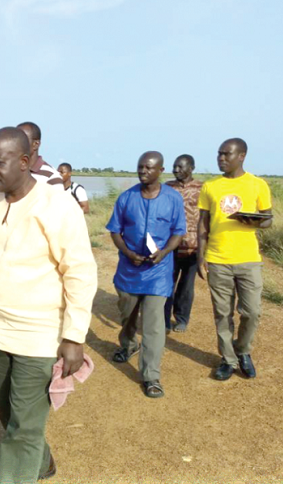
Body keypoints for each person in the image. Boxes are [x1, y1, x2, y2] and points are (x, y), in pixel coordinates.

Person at [0, 127, 97, 483]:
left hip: (39, 338)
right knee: (8, 415)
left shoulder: (57, 206)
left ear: (25, 161)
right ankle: (41, 463)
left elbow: (80, 273)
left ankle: (22, 470)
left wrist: (74, 337)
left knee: (22, 430)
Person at [106, 151, 185, 398]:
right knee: (128, 314)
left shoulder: (173, 199)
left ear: (160, 171)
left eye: (149, 168)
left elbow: (178, 232)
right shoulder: (126, 198)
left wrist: (164, 252)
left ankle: (151, 376)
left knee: (153, 324)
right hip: (129, 269)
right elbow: (115, 231)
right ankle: (129, 344)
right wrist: (128, 253)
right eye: (140, 167)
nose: (143, 171)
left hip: (158, 271)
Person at [197, 138, 272, 381]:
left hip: (248, 259)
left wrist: (256, 221)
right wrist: (201, 256)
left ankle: (243, 350)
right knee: (222, 313)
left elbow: (268, 219)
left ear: (242, 156)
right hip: (217, 259)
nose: (221, 158)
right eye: (219, 154)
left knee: (252, 311)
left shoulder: (257, 184)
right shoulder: (210, 186)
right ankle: (228, 359)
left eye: (227, 154)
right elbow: (202, 224)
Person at [163, 155, 202, 333]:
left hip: (194, 247)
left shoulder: (202, 188)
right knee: (166, 284)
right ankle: (163, 320)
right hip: (171, 245)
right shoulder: (167, 188)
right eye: (174, 166)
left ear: (191, 168)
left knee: (186, 286)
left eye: (180, 167)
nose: (176, 170)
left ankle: (181, 318)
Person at [16, 121, 63, 186]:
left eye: (22, 140)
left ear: (35, 144)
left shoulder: (51, 177)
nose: (16, 144)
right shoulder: (11, 172)